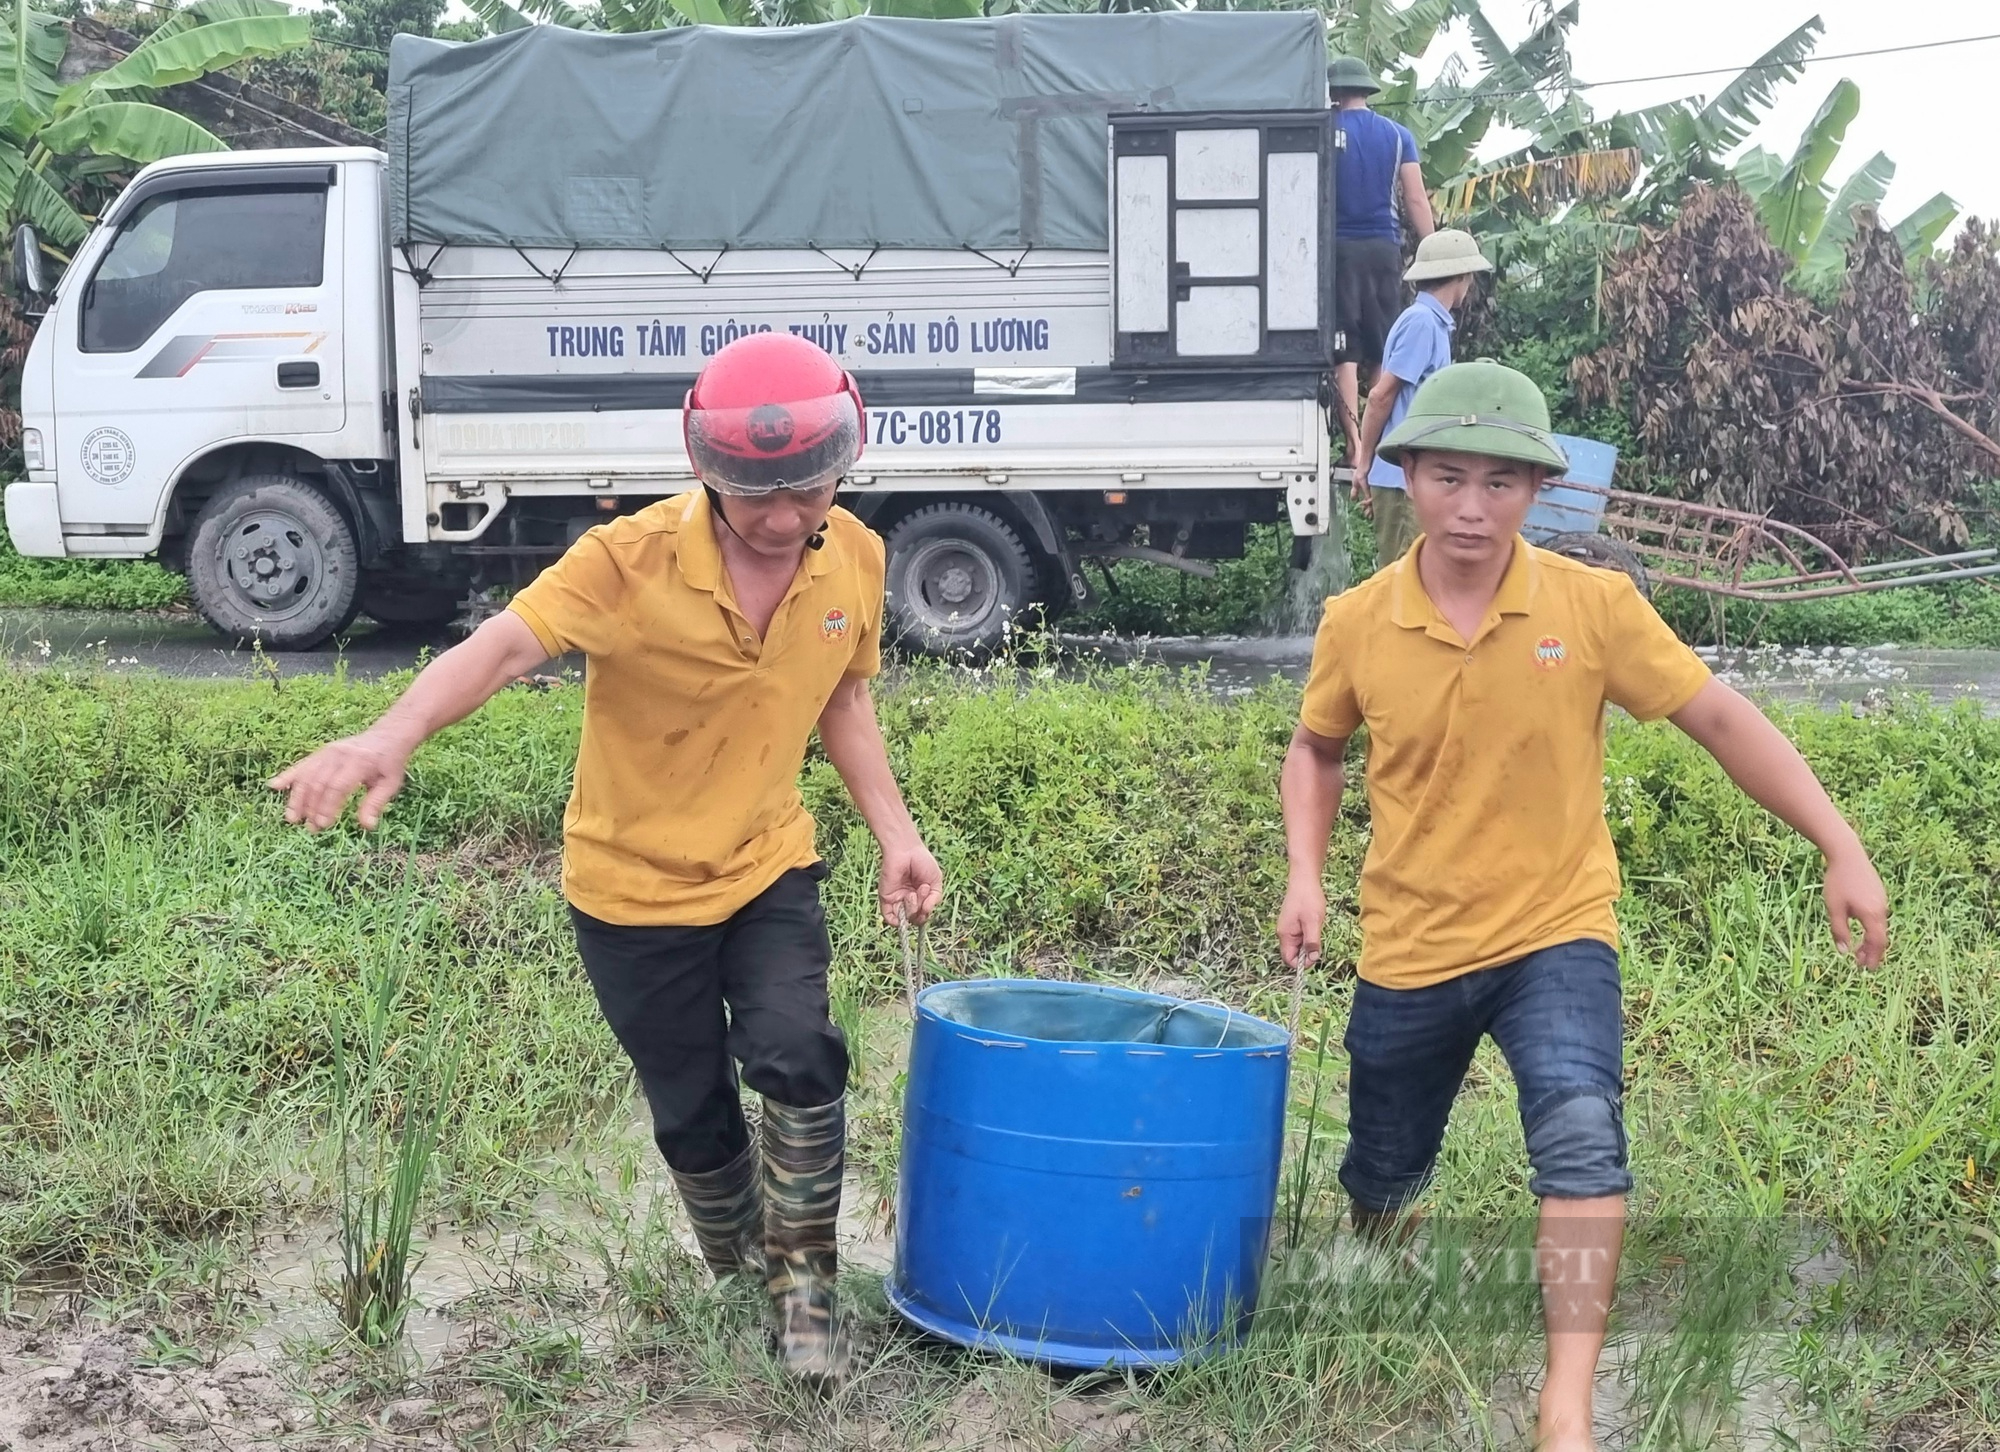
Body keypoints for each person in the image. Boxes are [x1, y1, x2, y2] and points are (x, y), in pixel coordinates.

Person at [270, 333, 943, 1383]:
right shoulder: (623, 562)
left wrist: (898, 835)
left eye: (805, 492)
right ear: (705, 473)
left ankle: (803, 1297)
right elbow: (500, 647)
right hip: (629, 893)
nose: (781, 520)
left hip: (767, 866)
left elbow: (844, 699)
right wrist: (384, 737)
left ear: (839, 468)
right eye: (753, 496)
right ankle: (740, 1282)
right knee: (692, 1110)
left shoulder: (853, 549)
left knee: (797, 1053)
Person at [1274, 361, 1888, 1451]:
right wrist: (1306, 876)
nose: (1471, 508)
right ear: (1402, 476)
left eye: (1500, 485)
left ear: (1536, 493)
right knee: (1380, 1170)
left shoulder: (1591, 607)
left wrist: (1838, 843)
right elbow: (1316, 750)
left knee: (1579, 1136)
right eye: (1447, 477)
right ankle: (1382, 1259)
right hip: (1410, 939)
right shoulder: (1358, 621)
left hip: (1555, 926)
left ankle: (1564, 1406)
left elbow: (1720, 721)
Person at [1351, 228, 1492, 566]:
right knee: (1405, 576)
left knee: (1423, 574)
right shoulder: (1422, 324)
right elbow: (1381, 396)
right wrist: (1365, 461)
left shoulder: (1433, 323)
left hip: (1413, 476)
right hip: (1400, 478)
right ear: (1461, 276)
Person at [1326, 53, 1434, 474]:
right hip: (1385, 250)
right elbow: (1415, 199)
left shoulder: (1324, 130)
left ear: (1334, 93)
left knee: (1344, 352)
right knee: (1382, 349)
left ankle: (1353, 446)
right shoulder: (1397, 135)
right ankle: (1381, 443)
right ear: (1368, 90)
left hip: (1338, 253)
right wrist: (1432, 249)